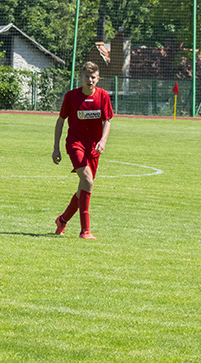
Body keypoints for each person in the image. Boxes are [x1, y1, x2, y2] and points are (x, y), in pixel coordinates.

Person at [52, 61, 113, 240]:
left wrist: (103, 140)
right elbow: (60, 121)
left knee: (83, 189)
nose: (90, 80)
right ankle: (85, 230)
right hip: (75, 144)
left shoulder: (103, 96)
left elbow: (107, 121)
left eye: (93, 77)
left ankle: (62, 220)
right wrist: (56, 148)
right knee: (87, 181)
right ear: (81, 77)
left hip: (93, 148)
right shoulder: (71, 97)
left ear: (98, 79)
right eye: (87, 77)